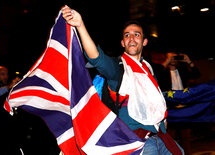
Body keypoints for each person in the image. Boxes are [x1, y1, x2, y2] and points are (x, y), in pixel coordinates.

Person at [62, 6, 184, 155]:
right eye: (127, 35)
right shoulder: (117, 69)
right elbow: (96, 57)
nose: (131, 38)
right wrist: (80, 26)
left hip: (161, 137)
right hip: (137, 142)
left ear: (144, 41)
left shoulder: (148, 70)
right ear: (123, 43)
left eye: (136, 34)